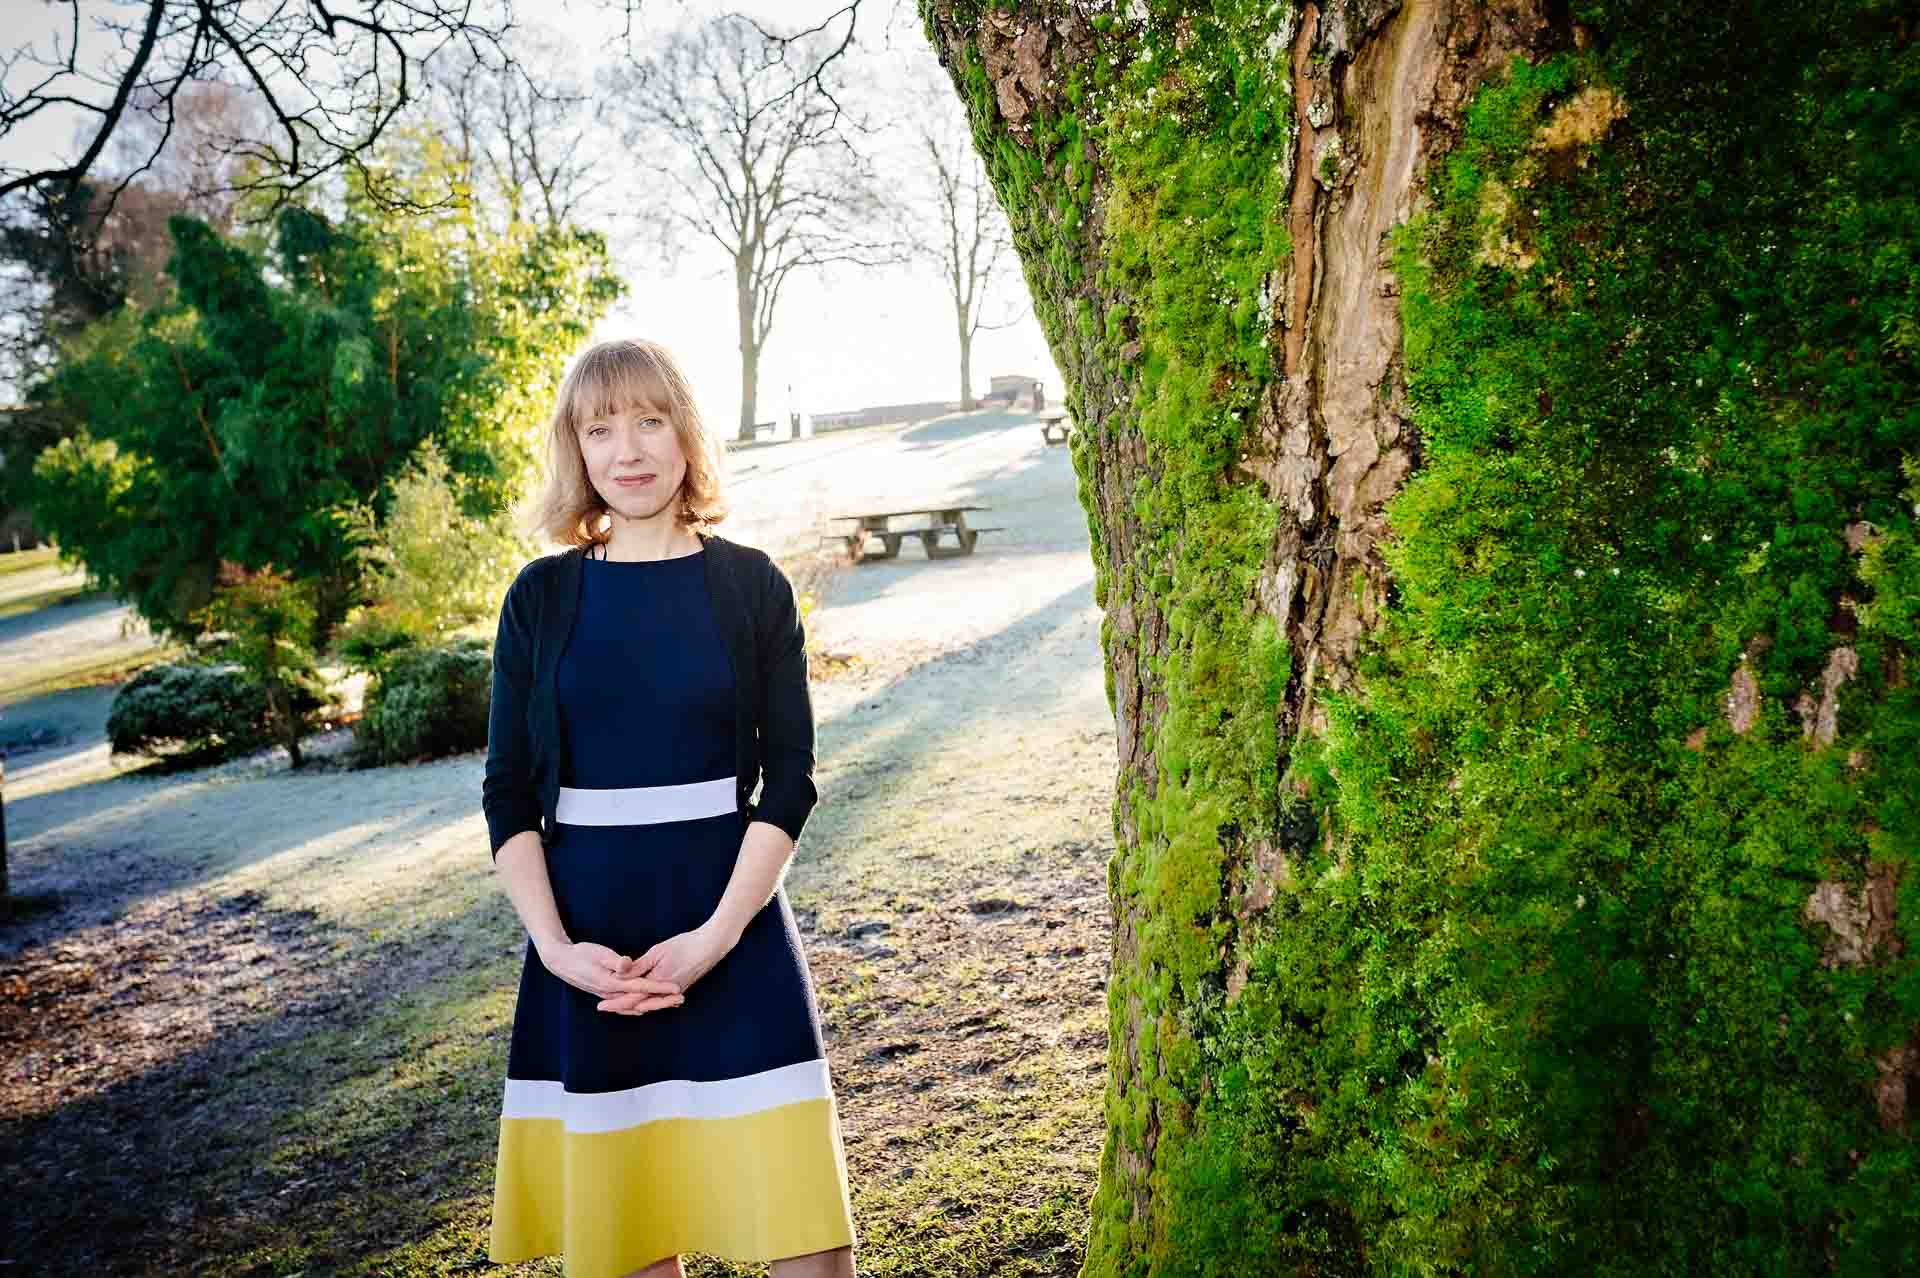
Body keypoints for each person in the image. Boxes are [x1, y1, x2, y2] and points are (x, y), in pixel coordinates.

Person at [481, 337, 858, 1278]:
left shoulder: (750, 586)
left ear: (685, 435)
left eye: (649, 419)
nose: (628, 449)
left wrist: (719, 936)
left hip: (732, 933)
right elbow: (508, 793)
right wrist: (559, 952)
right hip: (592, 957)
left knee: (806, 1244)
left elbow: (792, 778)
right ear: (576, 448)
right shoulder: (541, 598)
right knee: (629, 1243)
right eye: (600, 427)